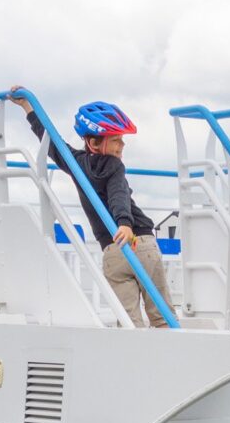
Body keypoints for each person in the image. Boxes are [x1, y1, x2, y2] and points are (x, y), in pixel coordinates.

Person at [72, 100, 170, 328]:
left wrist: (28, 109)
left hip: (113, 251)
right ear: (93, 142)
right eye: (116, 140)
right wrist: (124, 223)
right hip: (139, 242)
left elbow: (54, 147)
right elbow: (118, 194)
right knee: (161, 317)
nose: (121, 145)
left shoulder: (75, 163)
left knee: (129, 322)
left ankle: (135, 361)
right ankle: (171, 358)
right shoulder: (115, 166)